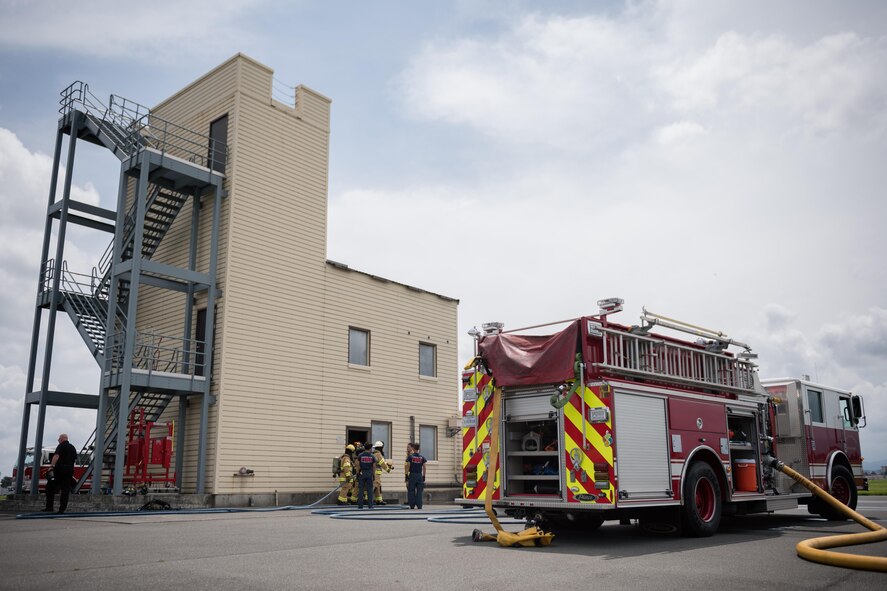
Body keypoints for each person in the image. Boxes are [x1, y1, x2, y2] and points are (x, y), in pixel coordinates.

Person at [44, 433, 77, 514]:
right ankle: (62, 509)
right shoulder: (72, 447)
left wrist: (51, 466)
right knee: (65, 490)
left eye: (59, 438)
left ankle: (49, 507)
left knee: (49, 487)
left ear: (62, 439)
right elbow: (74, 459)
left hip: (60, 470)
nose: (58, 440)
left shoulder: (61, 446)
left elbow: (56, 456)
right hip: (69, 470)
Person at [406, 442, 427, 510]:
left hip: (412, 475)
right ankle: (419, 505)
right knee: (419, 491)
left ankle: (412, 505)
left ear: (413, 448)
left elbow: (407, 466)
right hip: (419, 475)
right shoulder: (422, 457)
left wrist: (406, 475)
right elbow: (424, 467)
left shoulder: (410, 457)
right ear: (418, 449)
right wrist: (424, 476)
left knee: (411, 490)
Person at [372, 441, 393, 505]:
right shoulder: (378, 454)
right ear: (380, 448)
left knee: (378, 487)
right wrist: (388, 469)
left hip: (374, 473)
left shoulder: (374, 454)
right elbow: (382, 463)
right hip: (376, 473)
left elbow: (383, 462)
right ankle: (368, 499)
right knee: (375, 486)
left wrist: (388, 464)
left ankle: (379, 500)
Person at [356, 443, 376, 509]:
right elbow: (374, 466)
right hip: (369, 473)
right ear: (370, 448)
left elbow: (358, 465)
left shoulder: (360, 455)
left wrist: (357, 473)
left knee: (361, 490)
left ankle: (360, 505)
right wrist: (374, 475)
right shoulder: (372, 456)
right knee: (369, 490)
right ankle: (370, 505)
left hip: (362, 473)